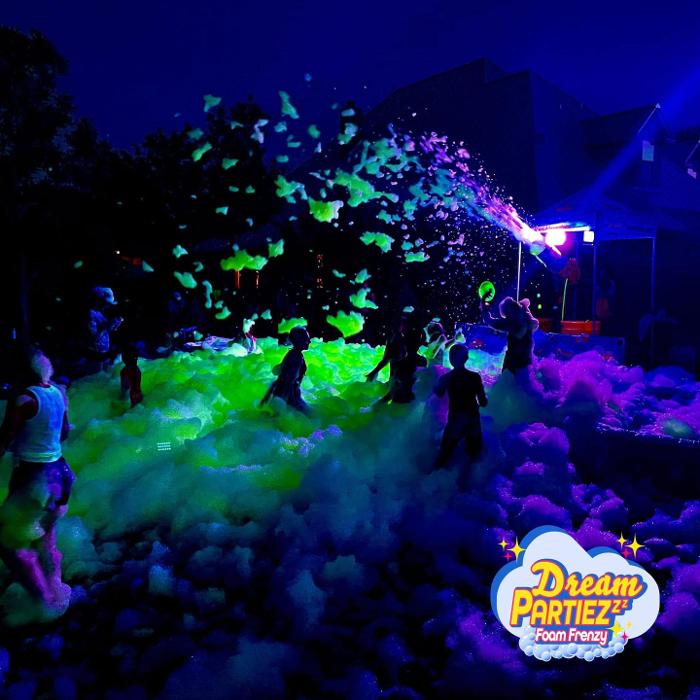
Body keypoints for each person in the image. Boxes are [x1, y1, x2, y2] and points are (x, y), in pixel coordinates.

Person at [0, 348, 74, 619]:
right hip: (60, 473)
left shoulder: (23, 399)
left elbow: (4, 438)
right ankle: (56, 592)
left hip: (34, 477)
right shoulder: (58, 393)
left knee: (8, 542)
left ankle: (42, 602)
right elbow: (64, 433)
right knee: (45, 538)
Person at [433, 344, 488, 468]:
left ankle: (434, 476)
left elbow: (439, 394)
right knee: (474, 457)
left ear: (451, 359)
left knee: (444, 454)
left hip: (455, 418)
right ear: (466, 358)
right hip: (472, 419)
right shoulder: (475, 377)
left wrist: (434, 387)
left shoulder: (446, 378)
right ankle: (470, 478)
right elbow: (483, 402)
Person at [482, 296, 539, 375]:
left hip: (512, 361)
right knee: (524, 379)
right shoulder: (527, 320)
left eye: (505, 312)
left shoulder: (510, 322)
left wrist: (483, 302)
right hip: (526, 359)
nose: (504, 314)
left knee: (508, 379)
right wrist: (525, 308)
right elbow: (535, 323)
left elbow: (489, 321)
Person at [260, 326, 311, 413]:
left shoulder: (291, 354)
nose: (309, 341)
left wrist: (267, 395)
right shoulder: (297, 358)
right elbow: (289, 381)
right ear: (298, 341)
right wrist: (293, 403)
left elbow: (278, 373)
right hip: (288, 396)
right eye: (306, 339)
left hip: (280, 394)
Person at [377, 327, 427, 404]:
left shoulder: (399, 362)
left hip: (400, 401)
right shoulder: (422, 361)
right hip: (413, 402)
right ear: (419, 344)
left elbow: (395, 386)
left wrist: (379, 404)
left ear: (405, 344)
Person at [87, 286, 123, 373]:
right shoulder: (91, 313)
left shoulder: (99, 313)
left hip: (103, 350)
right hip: (95, 352)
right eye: (106, 303)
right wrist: (109, 325)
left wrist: (115, 323)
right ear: (99, 301)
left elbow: (108, 331)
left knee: (102, 372)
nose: (107, 306)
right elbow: (93, 333)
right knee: (96, 374)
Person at [366, 317, 409, 382]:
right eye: (402, 325)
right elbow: (393, 343)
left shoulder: (397, 334)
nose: (403, 327)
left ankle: (372, 375)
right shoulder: (396, 334)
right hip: (394, 353)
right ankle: (372, 376)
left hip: (393, 353)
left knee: (386, 365)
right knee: (390, 367)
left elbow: (394, 343)